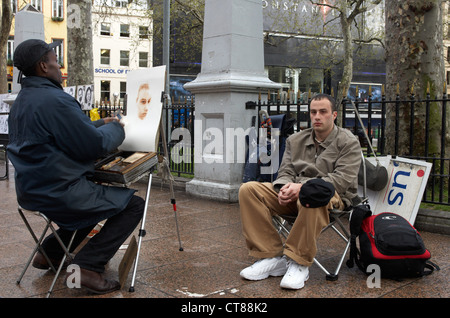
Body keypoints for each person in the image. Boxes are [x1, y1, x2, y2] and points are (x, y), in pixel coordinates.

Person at [7, 39, 145, 295]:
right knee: (133, 205)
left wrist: (101, 122)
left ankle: (48, 254)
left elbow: (65, 133)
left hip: (33, 190)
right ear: (43, 66)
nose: (59, 65)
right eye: (54, 60)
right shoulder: (55, 100)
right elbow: (93, 147)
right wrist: (116, 127)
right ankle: (88, 267)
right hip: (61, 191)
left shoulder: (24, 99)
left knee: (92, 204)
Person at [239, 93, 361, 289]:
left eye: (323, 112)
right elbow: (285, 171)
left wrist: (303, 187)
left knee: (311, 195)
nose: (317, 116)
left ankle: (299, 262)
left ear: (334, 114)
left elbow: (341, 180)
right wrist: (284, 187)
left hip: (331, 195)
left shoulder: (348, 141)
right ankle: (271, 256)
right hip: (294, 193)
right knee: (249, 190)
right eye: (313, 112)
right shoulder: (295, 140)